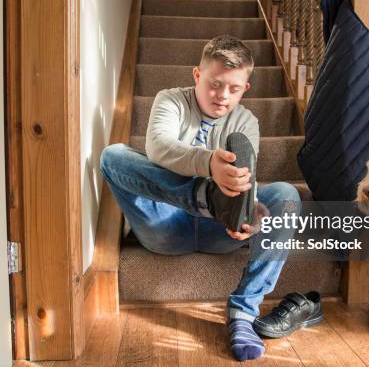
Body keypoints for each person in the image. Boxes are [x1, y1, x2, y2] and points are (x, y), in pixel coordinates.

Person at [100, 35, 300, 361]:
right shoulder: (171, 100)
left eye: (234, 89)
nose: (223, 96)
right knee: (114, 156)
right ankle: (205, 197)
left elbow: (246, 179)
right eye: (214, 84)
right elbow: (158, 147)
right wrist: (208, 165)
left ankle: (243, 313)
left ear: (246, 88)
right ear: (197, 75)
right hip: (164, 224)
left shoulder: (246, 121)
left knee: (287, 196)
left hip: (219, 229)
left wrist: (249, 213)